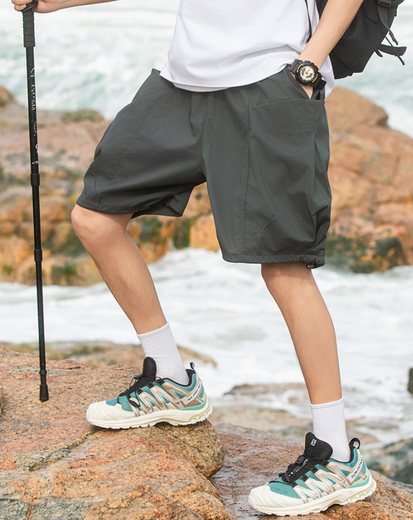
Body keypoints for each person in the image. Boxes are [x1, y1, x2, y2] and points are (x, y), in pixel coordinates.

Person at [13, 0, 376, 515]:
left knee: (284, 267)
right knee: (94, 218)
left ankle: (337, 454)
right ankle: (171, 378)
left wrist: (310, 64)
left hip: (269, 82)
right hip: (181, 83)